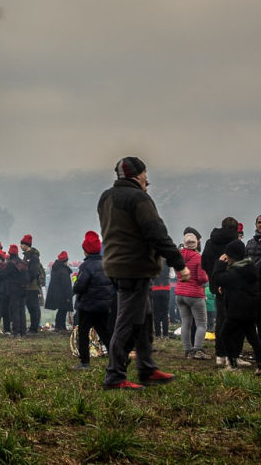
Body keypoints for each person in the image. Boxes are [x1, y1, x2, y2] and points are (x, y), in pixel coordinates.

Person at [97, 157, 189, 390]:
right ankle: (115, 376)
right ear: (139, 175)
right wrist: (178, 262)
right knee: (127, 321)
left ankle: (147, 368)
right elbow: (155, 232)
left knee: (144, 318)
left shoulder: (106, 197)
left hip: (115, 265)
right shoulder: (138, 198)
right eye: (145, 175)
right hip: (134, 267)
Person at [214, 239, 261, 372]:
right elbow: (238, 286)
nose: (227, 259)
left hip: (237, 310)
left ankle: (232, 365)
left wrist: (219, 263)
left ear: (233, 256)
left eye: (228, 256)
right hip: (249, 309)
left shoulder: (238, 270)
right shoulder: (249, 267)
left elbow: (218, 277)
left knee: (225, 334)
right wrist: (225, 288)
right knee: (253, 337)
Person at [71, 231, 114, 370]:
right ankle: (117, 359)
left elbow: (80, 286)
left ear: (86, 251)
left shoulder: (85, 267)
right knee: (105, 333)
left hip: (87, 306)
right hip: (103, 305)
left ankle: (84, 362)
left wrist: (75, 285)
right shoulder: (107, 264)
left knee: (83, 333)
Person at [175, 229, 210, 360]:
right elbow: (202, 278)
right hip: (195, 294)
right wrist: (207, 277)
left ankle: (187, 350)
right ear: (196, 244)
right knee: (201, 324)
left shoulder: (178, 256)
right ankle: (198, 350)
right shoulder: (198, 258)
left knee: (185, 323)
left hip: (180, 293)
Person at [20, 235, 45, 334]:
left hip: (33, 286)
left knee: (34, 307)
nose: (21, 246)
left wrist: (26, 280)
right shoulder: (26, 255)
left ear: (27, 245)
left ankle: (34, 328)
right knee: (30, 307)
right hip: (28, 285)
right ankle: (33, 327)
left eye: (22, 244)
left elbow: (33, 272)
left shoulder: (34, 257)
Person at [45, 251, 74, 333]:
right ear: (65, 261)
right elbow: (67, 285)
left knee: (61, 310)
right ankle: (60, 326)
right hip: (63, 295)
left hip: (56, 294)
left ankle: (60, 326)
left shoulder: (55, 269)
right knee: (63, 311)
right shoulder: (64, 271)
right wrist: (69, 295)